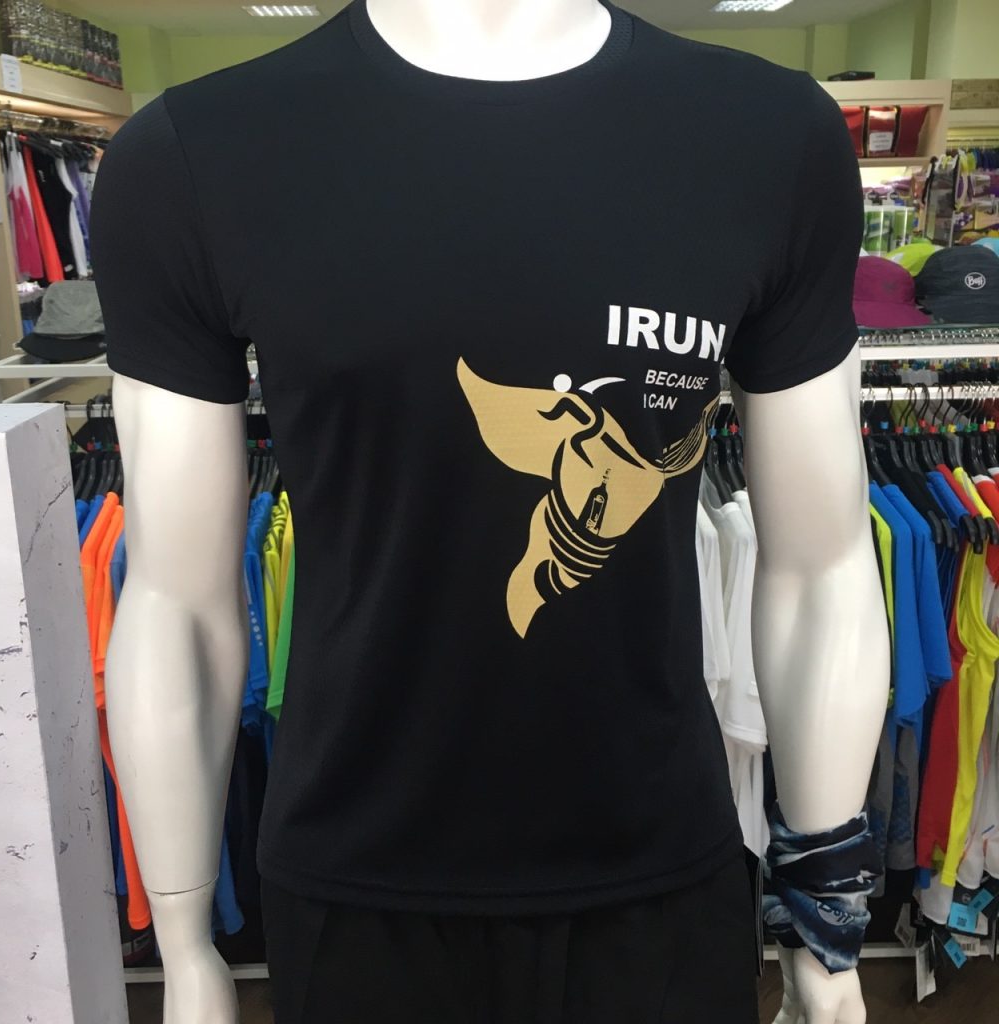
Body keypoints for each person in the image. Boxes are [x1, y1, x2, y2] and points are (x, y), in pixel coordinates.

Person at [90, 1, 889, 1021]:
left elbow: (821, 568)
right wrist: (184, 943)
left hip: (658, 890)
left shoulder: (769, 139)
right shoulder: (193, 157)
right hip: (356, 898)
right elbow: (176, 600)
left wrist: (825, 919)